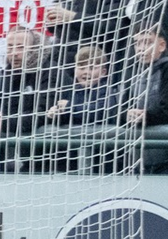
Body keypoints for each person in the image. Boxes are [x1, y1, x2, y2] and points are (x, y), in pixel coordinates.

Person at [0, 27, 63, 172]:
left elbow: (44, 114)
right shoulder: (7, 73)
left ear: (34, 49)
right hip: (25, 153)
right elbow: (4, 108)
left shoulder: (51, 72)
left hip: (54, 160)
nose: (14, 53)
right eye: (10, 47)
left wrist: (4, 122)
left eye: (20, 47)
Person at [128, 26, 168, 173]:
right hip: (144, 158)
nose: (141, 48)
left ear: (162, 45)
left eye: (148, 42)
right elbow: (122, 106)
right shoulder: (135, 73)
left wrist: (145, 116)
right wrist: (127, 115)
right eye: (137, 43)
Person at [45, 45, 117, 173]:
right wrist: (56, 114)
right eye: (81, 67)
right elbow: (66, 117)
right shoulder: (70, 91)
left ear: (103, 72)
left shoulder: (107, 91)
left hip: (102, 160)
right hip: (71, 158)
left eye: (92, 68)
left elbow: (99, 111)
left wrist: (69, 109)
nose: (86, 72)